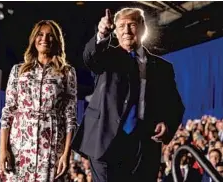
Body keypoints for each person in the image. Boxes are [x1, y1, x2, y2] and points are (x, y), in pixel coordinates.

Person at [72, 7, 185, 182]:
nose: (126, 30)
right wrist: (101, 33)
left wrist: (167, 123)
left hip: (144, 145)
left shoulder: (162, 68)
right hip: (105, 141)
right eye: (121, 26)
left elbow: (175, 105)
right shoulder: (106, 57)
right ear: (115, 31)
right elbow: (90, 57)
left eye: (131, 25)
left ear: (143, 28)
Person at [0, 20, 77, 181]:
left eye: (50, 35)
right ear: (34, 39)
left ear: (56, 40)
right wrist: (3, 150)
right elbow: (8, 112)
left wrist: (66, 154)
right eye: (40, 34)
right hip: (19, 147)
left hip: (51, 149)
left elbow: (70, 117)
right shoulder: (18, 71)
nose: (44, 39)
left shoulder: (67, 73)